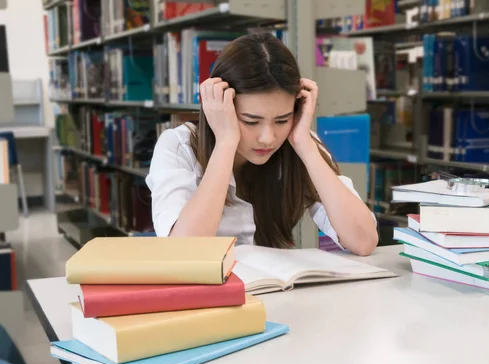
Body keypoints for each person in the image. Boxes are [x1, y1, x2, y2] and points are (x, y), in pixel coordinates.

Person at [146, 33, 378, 256]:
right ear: (220, 106)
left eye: (282, 120)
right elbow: (185, 254)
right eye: (251, 121)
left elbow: (363, 241)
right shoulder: (178, 146)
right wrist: (226, 142)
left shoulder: (298, 143)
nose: (268, 137)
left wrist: (305, 145)